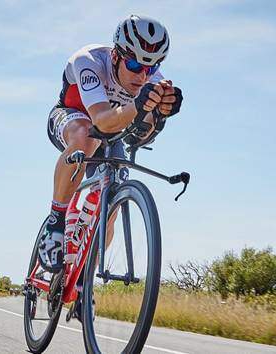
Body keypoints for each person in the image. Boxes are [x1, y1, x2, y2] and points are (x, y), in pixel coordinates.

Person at [38, 15, 183, 274]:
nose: (142, 75)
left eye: (150, 68)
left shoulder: (152, 80)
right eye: (134, 64)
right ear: (116, 56)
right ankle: (55, 221)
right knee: (86, 136)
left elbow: (138, 136)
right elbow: (102, 121)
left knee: (114, 194)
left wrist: (159, 115)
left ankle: (85, 279)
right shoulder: (89, 62)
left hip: (109, 133)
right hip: (71, 119)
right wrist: (139, 105)